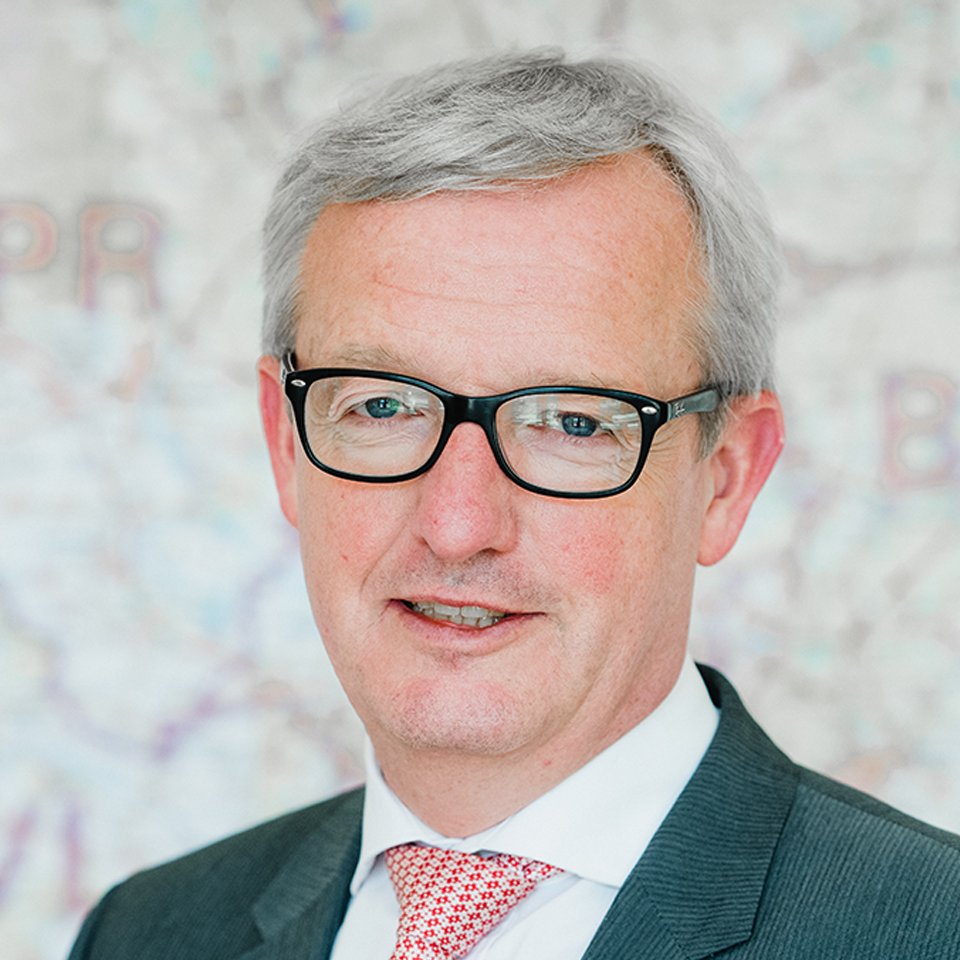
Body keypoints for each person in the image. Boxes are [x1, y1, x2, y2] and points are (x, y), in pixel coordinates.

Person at [68, 50, 960, 960]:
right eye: (383, 407)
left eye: (573, 422)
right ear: (286, 441)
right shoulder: (146, 934)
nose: (457, 526)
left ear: (726, 476)